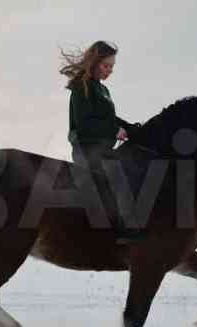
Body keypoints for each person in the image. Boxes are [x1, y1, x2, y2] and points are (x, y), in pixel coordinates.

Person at [59, 40, 146, 243]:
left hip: (103, 148)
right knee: (118, 174)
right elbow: (85, 124)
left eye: (112, 66)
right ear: (94, 63)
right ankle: (126, 232)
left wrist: (131, 129)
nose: (110, 70)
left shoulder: (102, 89)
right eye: (106, 65)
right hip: (86, 149)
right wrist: (115, 130)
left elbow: (108, 119)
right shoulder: (82, 87)